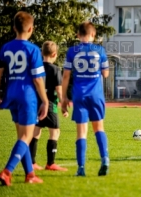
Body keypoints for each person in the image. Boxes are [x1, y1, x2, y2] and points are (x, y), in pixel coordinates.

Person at [0, 11, 48, 186]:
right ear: (31, 29)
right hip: (27, 95)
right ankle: (7, 171)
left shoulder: (5, 47)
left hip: (11, 93)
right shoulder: (33, 49)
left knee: (22, 136)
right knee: (26, 136)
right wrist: (45, 100)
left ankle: (30, 174)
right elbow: (37, 79)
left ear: (14, 28)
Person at [61, 22, 109, 176]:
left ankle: (81, 168)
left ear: (78, 35)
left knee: (81, 133)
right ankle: (105, 160)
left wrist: (63, 97)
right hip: (96, 94)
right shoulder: (100, 50)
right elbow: (106, 74)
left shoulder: (72, 51)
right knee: (99, 128)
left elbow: (66, 75)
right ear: (93, 35)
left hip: (79, 95)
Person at [29, 41, 68, 171]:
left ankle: (32, 162)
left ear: (41, 53)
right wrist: (63, 105)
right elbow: (59, 90)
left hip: (36, 104)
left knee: (36, 131)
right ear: (54, 54)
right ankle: (50, 163)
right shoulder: (55, 69)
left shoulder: (36, 67)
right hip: (50, 105)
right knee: (55, 132)